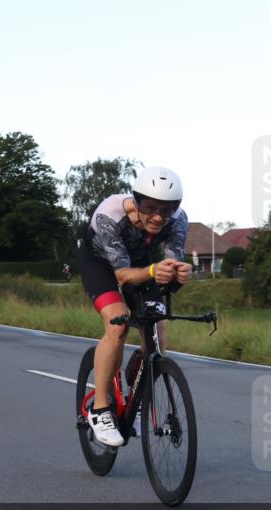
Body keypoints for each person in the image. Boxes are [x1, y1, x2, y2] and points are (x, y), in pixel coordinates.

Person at [77, 166, 192, 446]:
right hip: (101, 263)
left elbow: (169, 265)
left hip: (141, 264)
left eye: (166, 210)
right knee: (118, 324)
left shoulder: (178, 221)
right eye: (150, 207)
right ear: (136, 201)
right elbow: (121, 275)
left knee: (158, 338)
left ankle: (136, 392)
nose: (157, 217)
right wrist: (154, 271)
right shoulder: (110, 215)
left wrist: (179, 274)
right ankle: (101, 408)